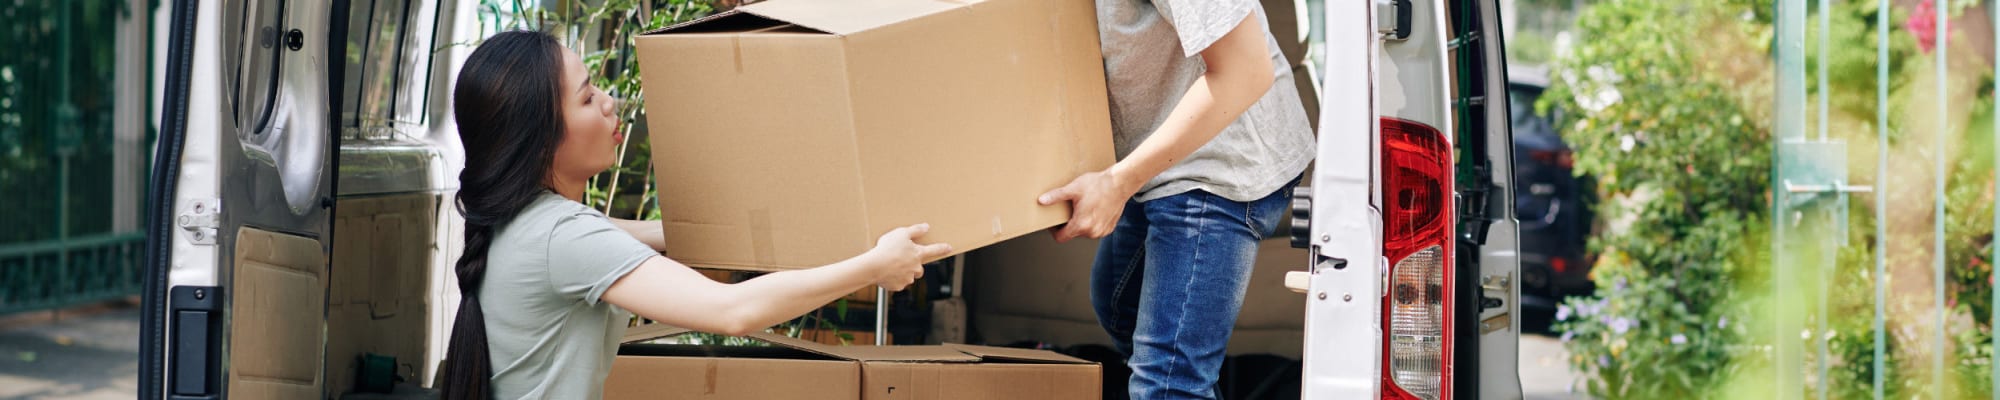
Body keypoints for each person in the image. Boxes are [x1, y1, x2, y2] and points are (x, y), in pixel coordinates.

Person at [436, 30, 954, 400]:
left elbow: (667, 236)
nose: (611, 103)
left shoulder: (532, 222)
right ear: (540, 138)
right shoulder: (561, 237)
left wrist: (811, 225)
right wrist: (874, 267)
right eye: (589, 97)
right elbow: (734, 312)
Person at [1037, 1, 1315, 398]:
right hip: (1156, 158)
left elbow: (1246, 72)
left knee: (1168, 383)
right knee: (1118, 307)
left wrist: (1117, 183)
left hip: (1221, 162)